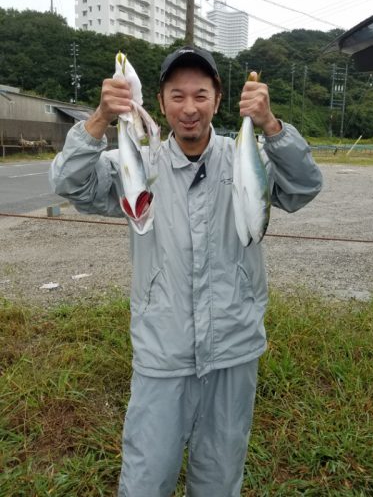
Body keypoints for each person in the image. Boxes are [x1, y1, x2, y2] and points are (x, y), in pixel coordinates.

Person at [50, 45, 323, 497]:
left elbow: (304, 187)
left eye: (201, 95)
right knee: (145, 478)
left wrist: (272, 127)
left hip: (233, 350)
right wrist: (99, 120)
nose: (189, 108)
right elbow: (70, 184)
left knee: (219, 478)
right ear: (160, 102)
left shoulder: (245, 157)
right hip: (162, 353)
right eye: (177, 96)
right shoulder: (137, 163)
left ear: (218, 100)